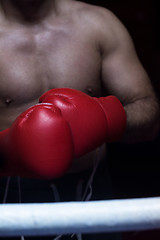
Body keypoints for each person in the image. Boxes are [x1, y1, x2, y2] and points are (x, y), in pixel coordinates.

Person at [0, 0, 159, 239]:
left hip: (92, 192)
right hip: (9, 199)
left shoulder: (98, 24)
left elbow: (149, 114)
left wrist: (105, 121)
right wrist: (8, 150)